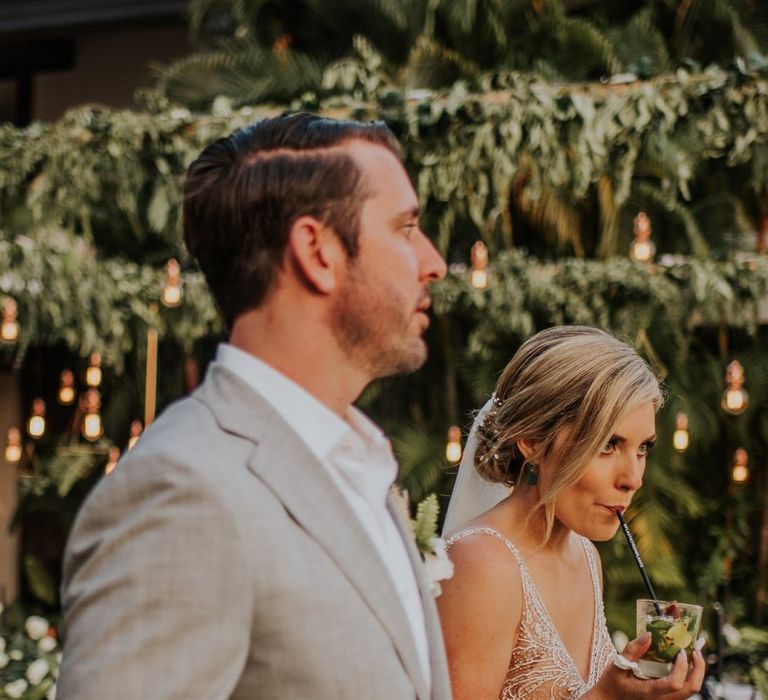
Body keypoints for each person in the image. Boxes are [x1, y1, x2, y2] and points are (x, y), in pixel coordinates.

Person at [57, 113, 451, 699]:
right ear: (317, 252)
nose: (434, 262)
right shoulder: (185, 491)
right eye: (406, 228)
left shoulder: (359, 465)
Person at [438, 326, 705, 699]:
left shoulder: (585, 556)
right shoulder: (482, 565)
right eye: (609, 444)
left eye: (643, 448)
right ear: (532, 441)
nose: (633, 478)